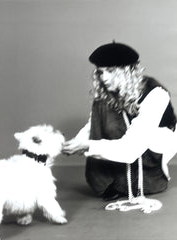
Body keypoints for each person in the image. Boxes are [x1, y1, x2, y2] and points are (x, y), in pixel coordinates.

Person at [62, 41, 177, 201]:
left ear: (128, 71)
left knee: (105, 110)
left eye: (110, 71)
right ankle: (110, 181)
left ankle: (130, 183)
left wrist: (88, 145)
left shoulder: (156, 94)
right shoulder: (107, 94)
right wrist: (76, 142)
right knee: (101, 103)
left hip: (149, 162)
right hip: (123, 150)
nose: (104, 78)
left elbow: (132, 147)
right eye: (100, 72)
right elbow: (93, 125)